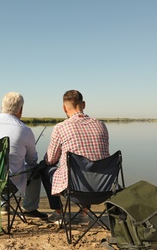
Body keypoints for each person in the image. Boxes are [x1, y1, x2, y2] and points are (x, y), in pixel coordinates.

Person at [40, 90, 110, 222]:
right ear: (83, 104)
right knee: (91, 166)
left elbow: (50, 160)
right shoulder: (101, 125)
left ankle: (58, 213)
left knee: (45, 168)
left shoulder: (61, 127)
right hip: (102, 186)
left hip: (74, 189)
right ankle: (84, 213)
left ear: (64, 108)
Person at [0, 91, 47, 219]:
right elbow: (32, 161)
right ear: (21, 110)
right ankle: (30, 208)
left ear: (1, 107)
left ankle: (4, 206)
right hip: (8, 184)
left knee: (0, 167)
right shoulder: (24, 130)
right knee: (35, 170)